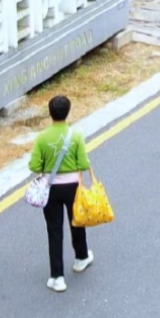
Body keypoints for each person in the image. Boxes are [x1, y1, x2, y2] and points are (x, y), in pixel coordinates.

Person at [28, 94, 94, 293]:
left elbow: (34, 165)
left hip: (51, 188)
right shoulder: (75, 136)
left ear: (50, 113)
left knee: (54, 230)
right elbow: (83, 163)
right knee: (77, 221)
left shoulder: (42, 137)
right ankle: (81, 257)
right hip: (73, 186)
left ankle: (57, 276)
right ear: (68, 112)